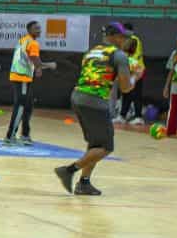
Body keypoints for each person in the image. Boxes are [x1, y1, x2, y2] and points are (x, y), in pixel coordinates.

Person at [55, 22, 137, 196]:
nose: (125, 40)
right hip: (95, 101)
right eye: (123, 37)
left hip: (78, 97)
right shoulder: (119, 55)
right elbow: (125, 88)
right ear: (114, 37)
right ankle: (68, 171)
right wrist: (135, 76)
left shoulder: (91, 52)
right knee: (106, 147)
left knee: (95, 145)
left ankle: (84, 183)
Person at [5, 21, 42, 145]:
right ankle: (10, 136)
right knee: (20, 106)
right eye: (36, 28)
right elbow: (35, 60)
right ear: (29, 30)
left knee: (28, 105)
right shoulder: (32, 43)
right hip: (22, 78)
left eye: (39, 28)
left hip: (21, 77)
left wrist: (38, 68)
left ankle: (25, 134)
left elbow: (31, 61)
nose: (39, 30)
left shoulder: (24, 40)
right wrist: (45, 66)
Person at [116, 23, 147, 125]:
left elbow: (131, 55)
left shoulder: (134, 39)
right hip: (128, 71)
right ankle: (122, 116)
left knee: (136, 94)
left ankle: (138, 117)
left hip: (137, 71)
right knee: (126, 93)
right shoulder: (124, 40)